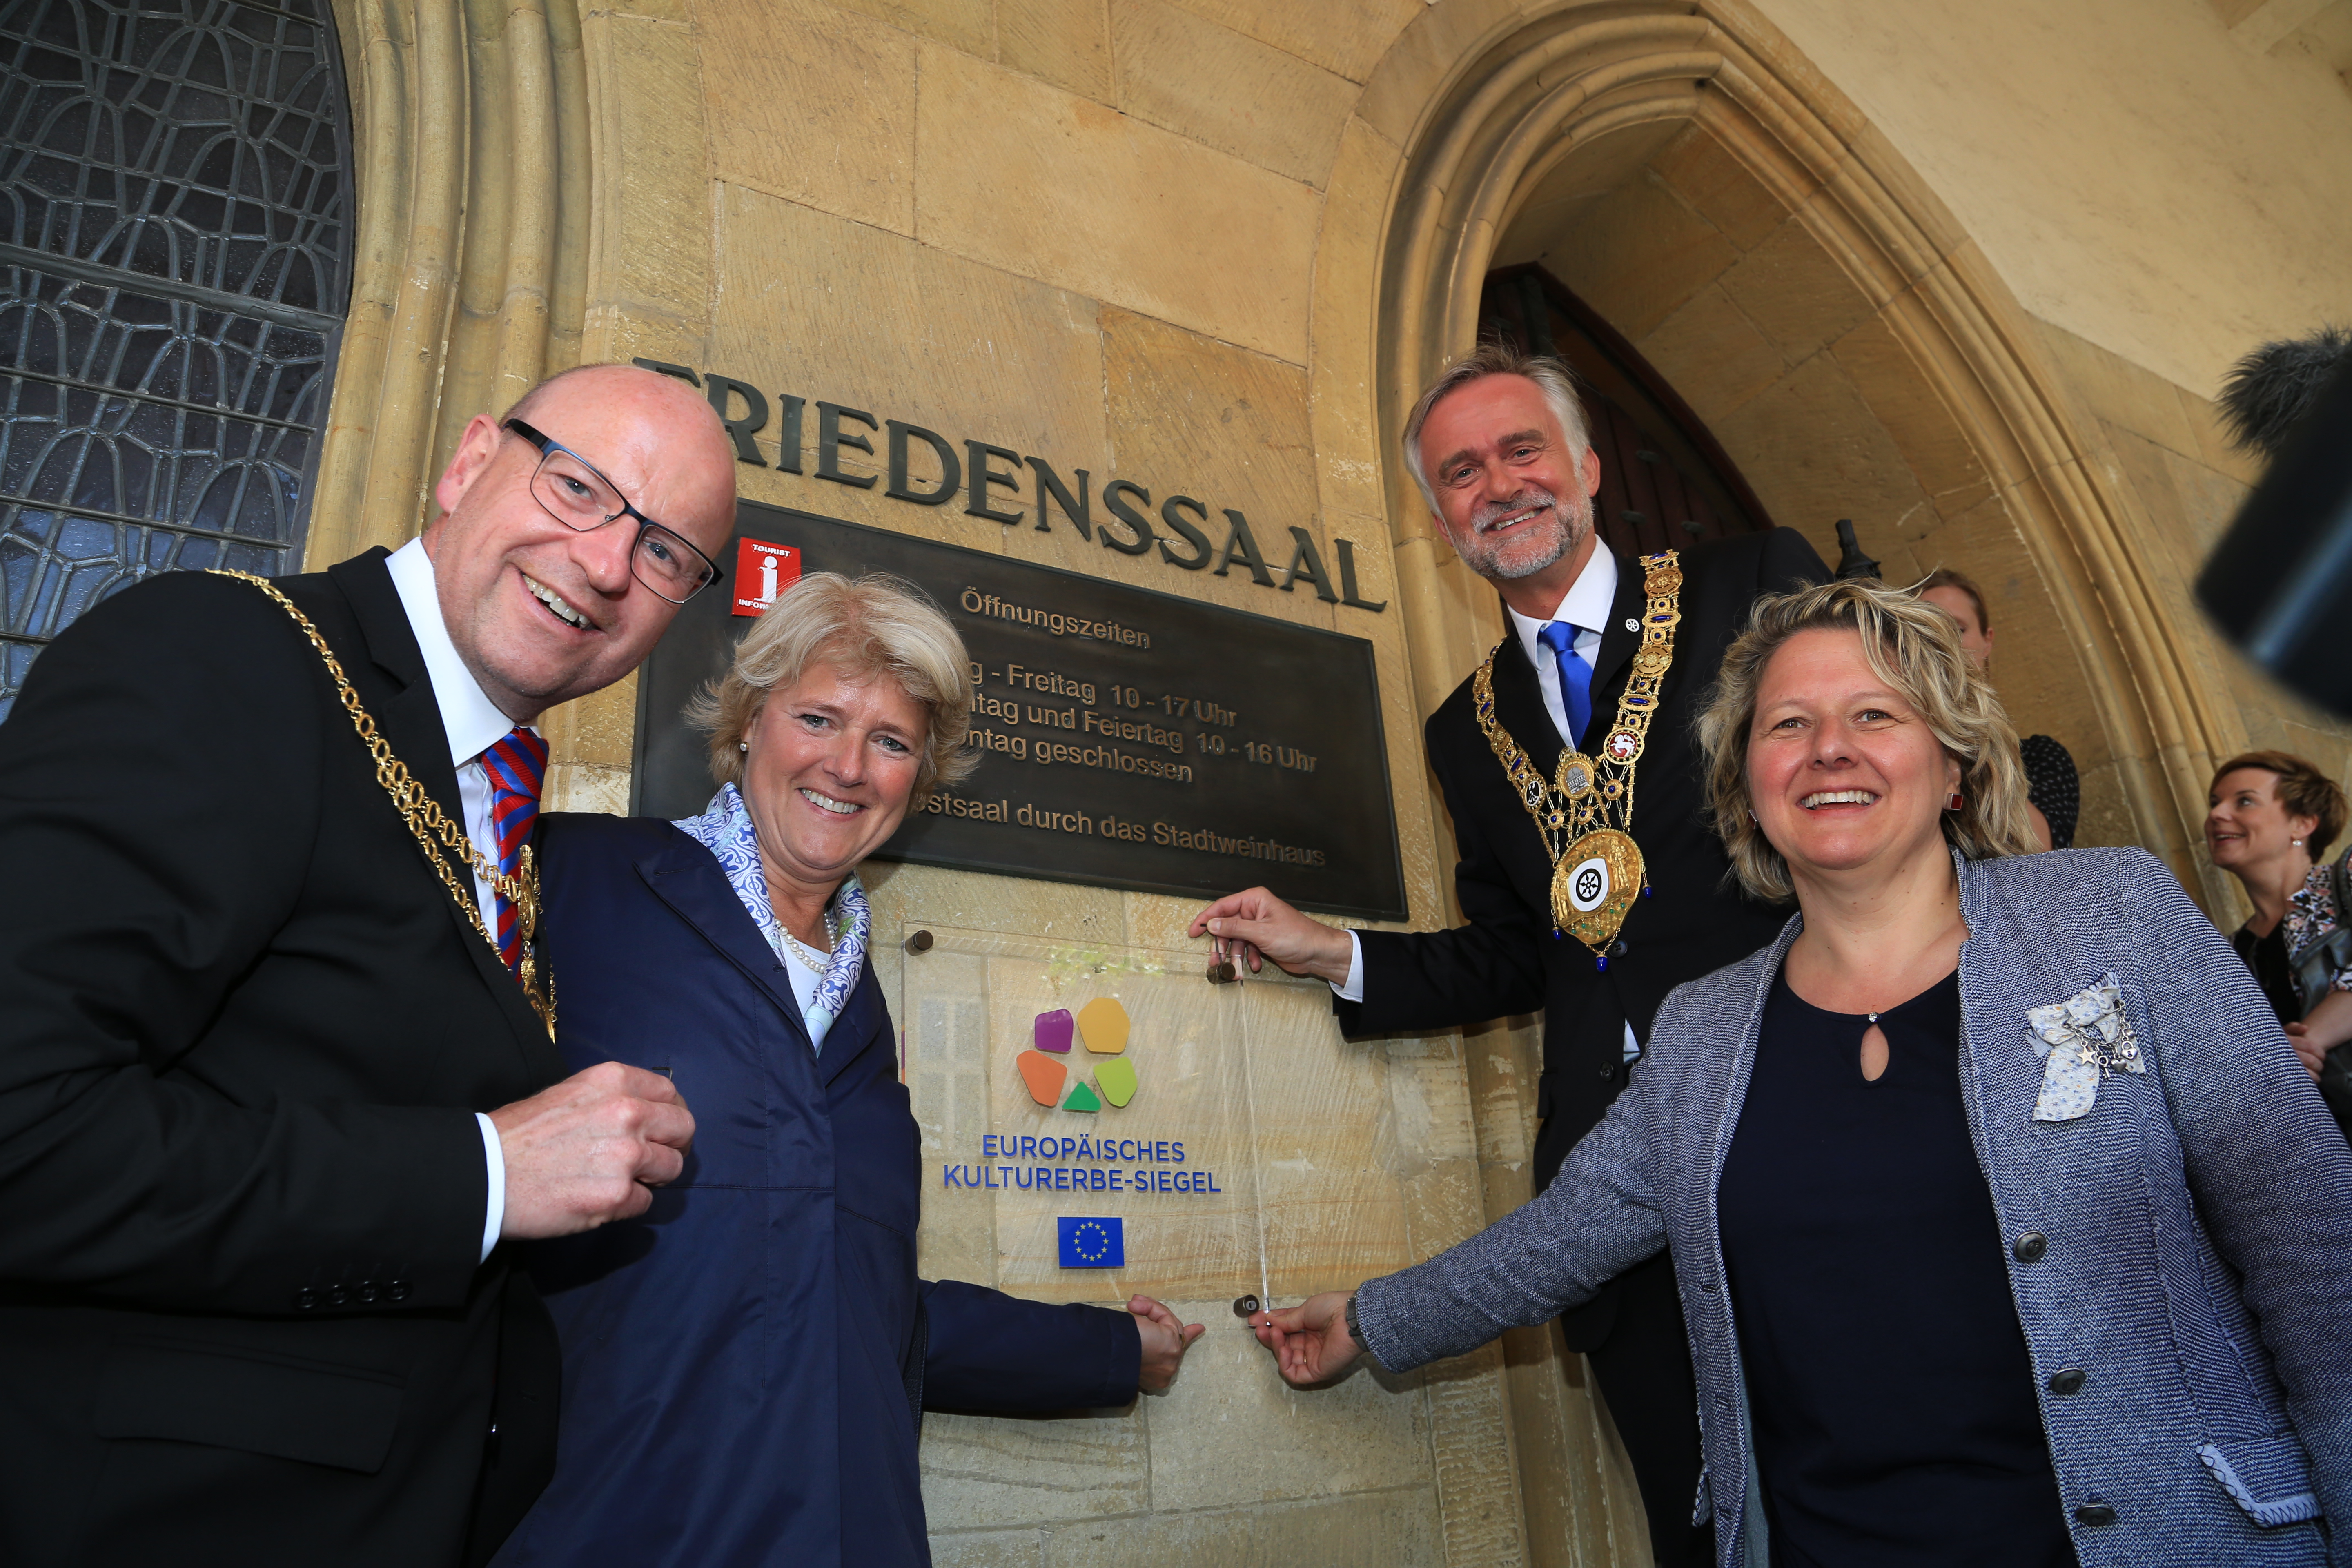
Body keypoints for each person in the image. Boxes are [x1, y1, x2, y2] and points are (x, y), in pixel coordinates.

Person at [1252, 578, 2352, 1567]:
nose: (1831, 748)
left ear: (1955, 765)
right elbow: (1567, 1233)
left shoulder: (2113, 914)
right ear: (1746, 789)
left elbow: (2311, 1242)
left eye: (1875, 714)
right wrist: (1368, 1320)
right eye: (1789, 725)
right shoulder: (1704, 1031)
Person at [0, 364, 739, 1567]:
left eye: (665, 555)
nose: (607, 563)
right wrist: (489, 1170)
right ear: (468, 463)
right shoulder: (224, 655)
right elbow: (23, 1129)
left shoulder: (493, 796)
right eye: (578, 487)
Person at [1187, 342, 1826, 1565]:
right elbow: (1521, 955)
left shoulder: (1751, 581)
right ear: (1441, 520)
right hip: (1612, 1207)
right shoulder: (1466, 727)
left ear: (1585, 465)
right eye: (1464, 472)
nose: (1501, 485)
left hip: (1800, 1120)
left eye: (1522, 449)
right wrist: (1330, 951)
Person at [492, 572, 1205, 1568]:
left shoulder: (858, 1004)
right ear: (748, 724)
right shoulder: (570, 882)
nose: (847, 765)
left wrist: (1112, 1351)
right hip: (616, 1527)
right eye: (818, 717)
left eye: (892, 740)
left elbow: (853, 1300)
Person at [2206, 750, 2352, 1140]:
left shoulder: (2345, 883)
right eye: (2215, 803)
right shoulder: (2227, 953)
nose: (2218, 815)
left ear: (2303, 823)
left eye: (2245, 801)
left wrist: (2305, 1042)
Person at [1918, 565, 2076, 850]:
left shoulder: (2043, 758)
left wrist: (1965, 721)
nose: (1943, 642)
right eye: (1926, 629)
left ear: (1987, 640)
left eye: (1958, 629)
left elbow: (2035, 850)